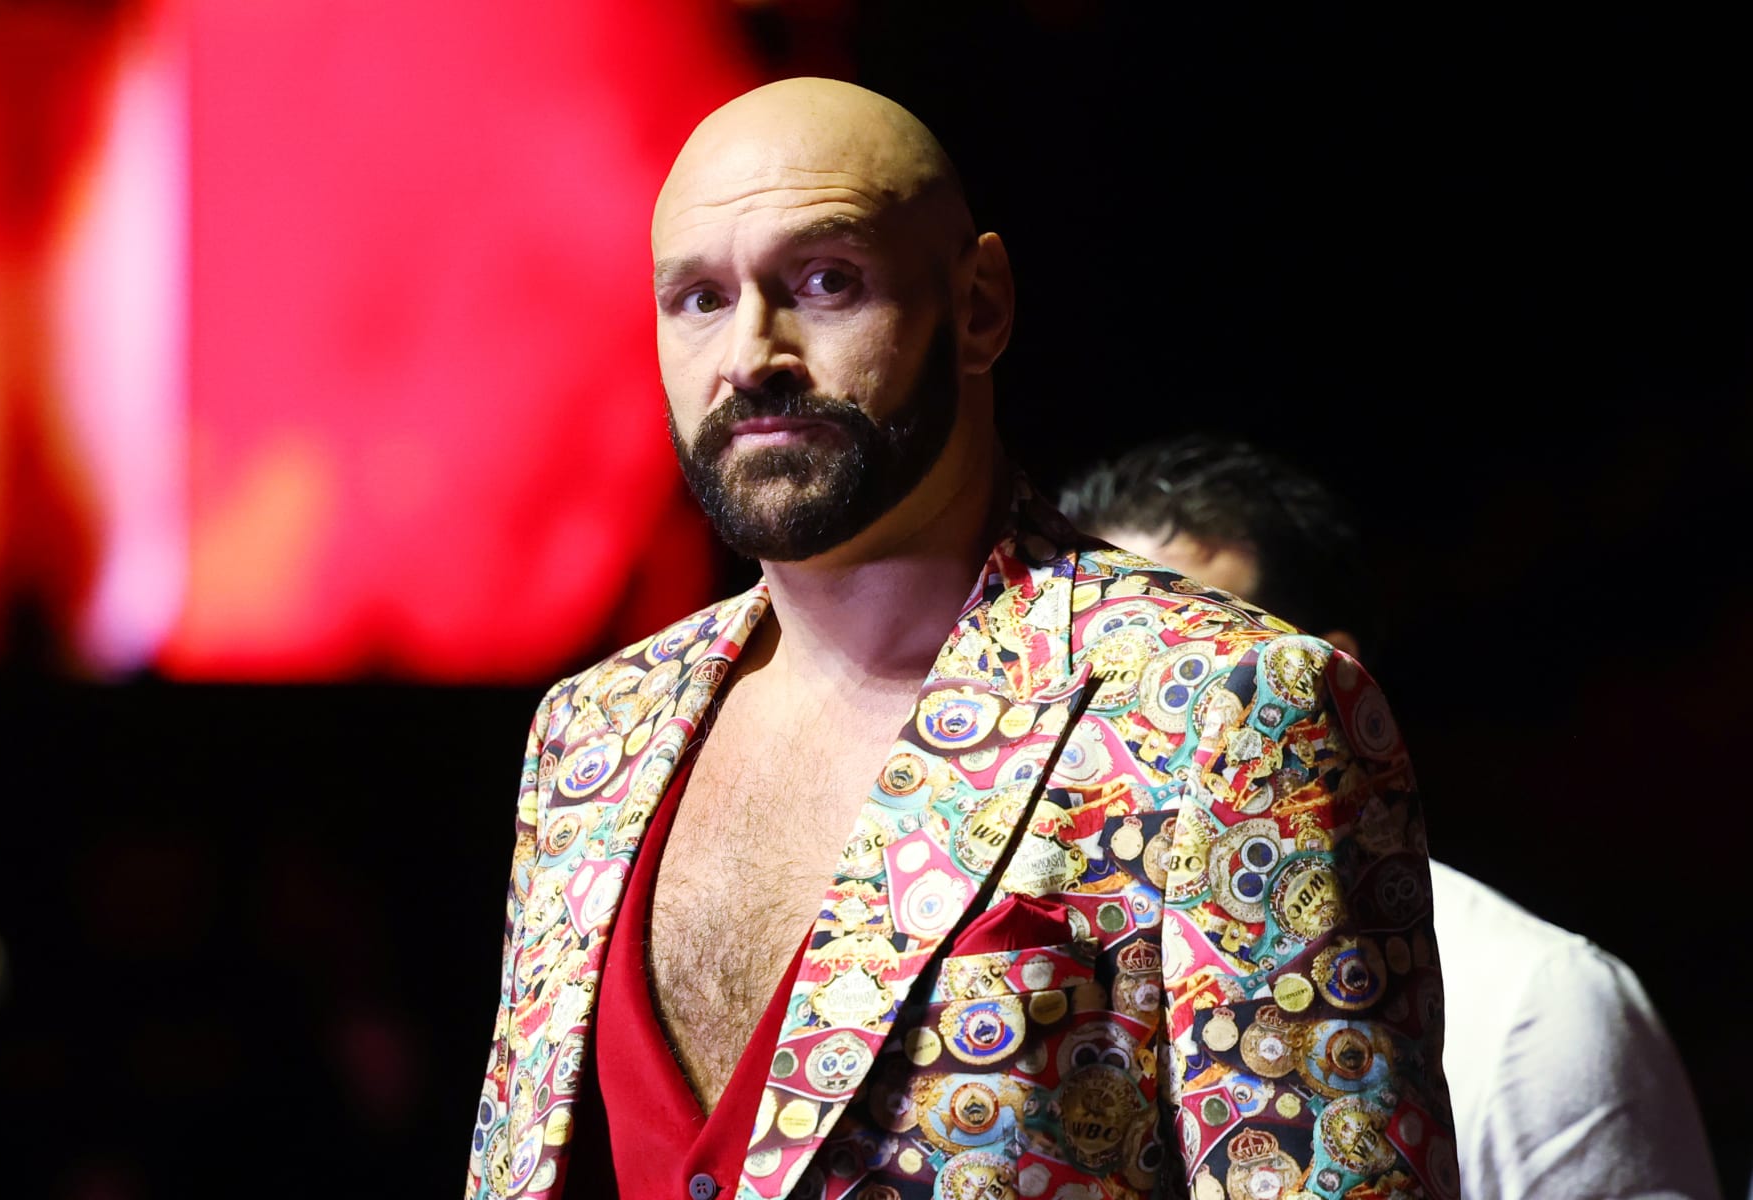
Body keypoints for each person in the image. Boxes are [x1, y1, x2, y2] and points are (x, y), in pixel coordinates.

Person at [467, 80, 1457, 1200]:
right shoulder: (593, 736)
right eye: (697, 298)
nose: (751, 355)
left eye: (826, 281)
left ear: (980, 304)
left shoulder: (1224, 710)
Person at [1060, 434, 1723, 1200]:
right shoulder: (998, 980)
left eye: (1193, 676)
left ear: (1332, 680)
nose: (1128, 723)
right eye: (1093, 676)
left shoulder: (1532, 1003)